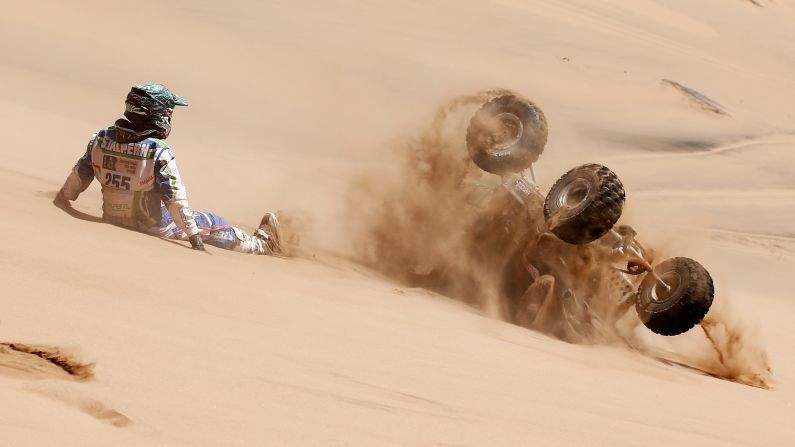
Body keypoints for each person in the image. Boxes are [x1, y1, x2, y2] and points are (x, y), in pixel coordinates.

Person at [54, 83, 282, 255]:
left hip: (112, 217)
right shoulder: (157, 150)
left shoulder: (101, 139)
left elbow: (80, 175)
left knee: (202, 222)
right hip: (154, 225)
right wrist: (195, 239)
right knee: (213, 223)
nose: (169, 118)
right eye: (168, 113)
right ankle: (261, 245)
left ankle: (258, 243)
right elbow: (175, 199)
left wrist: (64, 198)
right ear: (154, 115)